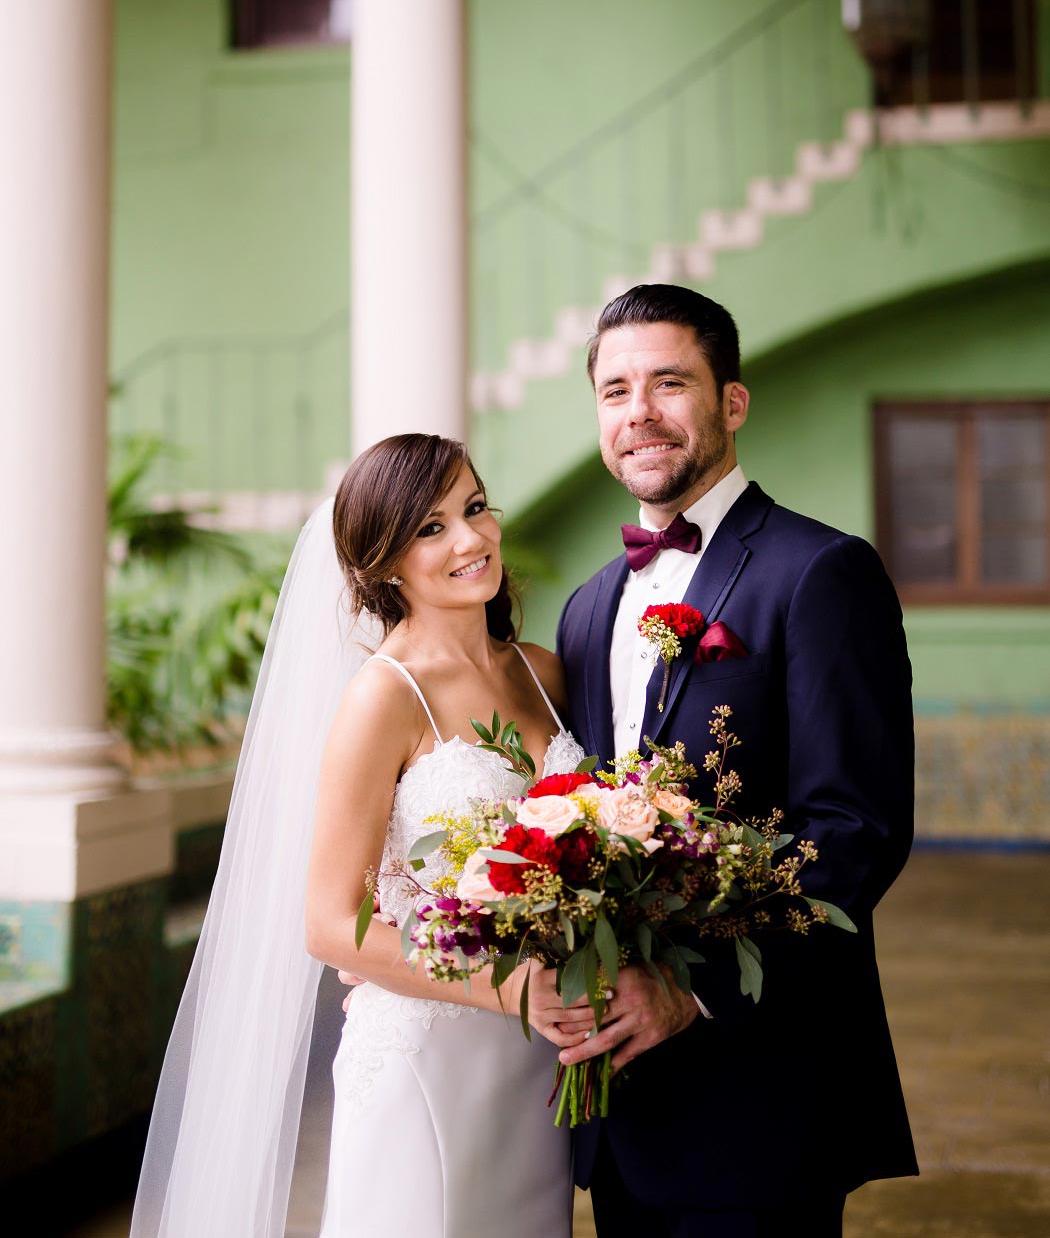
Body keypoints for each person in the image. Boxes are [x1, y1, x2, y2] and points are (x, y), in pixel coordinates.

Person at [131, 433, 583, 1238]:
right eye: (431, 528)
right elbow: (331, 925)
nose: (471, 539)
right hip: (429, 1056)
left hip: (534, 1061)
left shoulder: (543, 674)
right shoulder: (383, 698)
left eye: (474, 508)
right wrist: (504, 987)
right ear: (384, 564)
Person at [543, 283, 918, 1238]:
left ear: (732, 403)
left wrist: (693, 989)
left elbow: (857, 828)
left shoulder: (822, 570)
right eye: (616, 390)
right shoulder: (589, 607)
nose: (640, 413)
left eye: (670, 382)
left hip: (761, 1083)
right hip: (615, 1098)